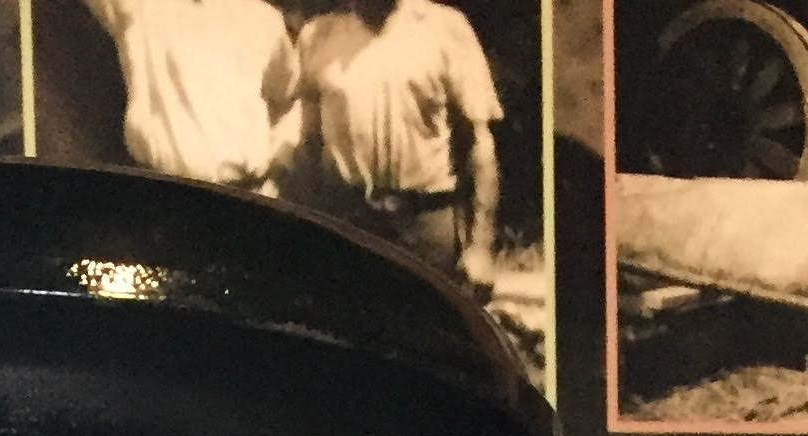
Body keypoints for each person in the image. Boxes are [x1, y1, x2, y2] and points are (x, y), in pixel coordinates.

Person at [294, 0, 502, 289]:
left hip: (425, 225)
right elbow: (308, 147)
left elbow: (479, 145)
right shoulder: (318, 35)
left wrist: (480, 246)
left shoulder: (446, 29)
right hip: (347, 222)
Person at [81, 0, 303, 189]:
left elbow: (287, 95)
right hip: (162, 191)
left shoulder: (264, 19)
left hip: (245, 194)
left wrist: (278, 160)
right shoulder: (143, 8)